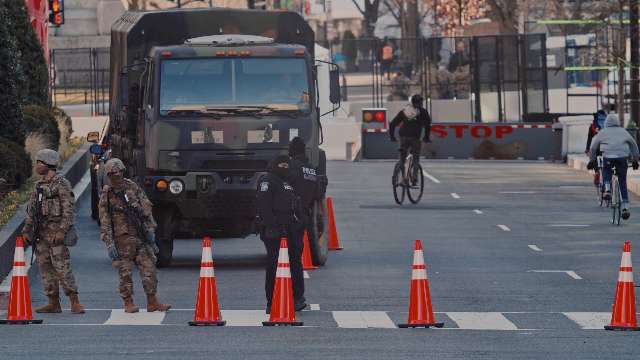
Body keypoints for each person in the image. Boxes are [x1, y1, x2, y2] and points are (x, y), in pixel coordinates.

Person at [99, 158, 171, 313]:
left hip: (140, 236)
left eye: (119, 172)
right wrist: (109, 243)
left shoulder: (132, 187)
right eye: (113, 173)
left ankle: (152, 301)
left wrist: (151, 229)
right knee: (125, 274)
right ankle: (128, 302)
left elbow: (146, 207)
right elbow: (105, 221)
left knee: (149, 268)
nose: (117, 175)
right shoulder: (107, 194)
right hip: (121, 240)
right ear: (109, 175)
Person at [22, 149, 85, 314]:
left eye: (39, 162)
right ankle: (53, 302)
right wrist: (26, 231)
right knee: (45, 268)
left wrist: (62, 231)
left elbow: (68, 210)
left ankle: (74, 301)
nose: (36, 166)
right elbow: (32, 211)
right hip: (41, 235)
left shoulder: (61, 184)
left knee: (62, 267)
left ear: (48, 164)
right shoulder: (39, 186)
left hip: (56, 235)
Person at [256, 155, 306, 313]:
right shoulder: (267, 180)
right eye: (281, 164)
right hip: (275, 231)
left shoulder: (287, 183)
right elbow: (264, 206)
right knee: (274, 265)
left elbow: (295, 205)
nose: (284, 167)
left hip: (291, 230)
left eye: (286, 164)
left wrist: (300, 224)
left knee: (295, 264)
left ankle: (297, 298)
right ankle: (272, 301)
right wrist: (272, 226)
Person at [588, 114, 640, 219]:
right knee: (622, 181)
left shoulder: (603, 132)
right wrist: (635, 160)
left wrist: (592, 160)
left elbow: (593, 147)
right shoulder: (623, 131)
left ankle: (607, 188)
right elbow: (633, 145)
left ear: (606, 122)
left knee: (606, 170)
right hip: (622, 158)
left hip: (608, 157)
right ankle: (625, 207)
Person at [287, 137, 327, 264]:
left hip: (290, 215)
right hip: (305, 215)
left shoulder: (291, 167)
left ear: (291, 151)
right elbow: (318, 193)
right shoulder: (311, 169)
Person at [389, 94, 433, 184]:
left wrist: (392, 136)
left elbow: (392, 124)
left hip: (403, 137)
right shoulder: (423, 112)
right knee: (415, 158)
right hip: (415, 138)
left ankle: (402, 179)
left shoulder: (405, 111)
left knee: (402, 158)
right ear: (420, 103)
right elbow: (428, 126)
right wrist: (426, 137)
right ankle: (414, 178)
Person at [585, 110, 607, 188]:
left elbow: (589, 138)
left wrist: (587, 149)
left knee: (594, 158)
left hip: (597, 146)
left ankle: (597, 171)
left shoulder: (593, 125)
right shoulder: (607, 123)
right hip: (607, 146)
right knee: (606, 161)